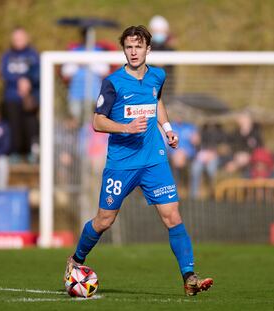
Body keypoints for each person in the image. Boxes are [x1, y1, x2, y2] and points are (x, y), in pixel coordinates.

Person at [63, 25, 213, 296]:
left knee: (172, 215)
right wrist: (126, 128)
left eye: (138, 46)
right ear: (124, 50)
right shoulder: (113, 82)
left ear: (148, 49)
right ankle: (75, 260)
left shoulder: (158, 75)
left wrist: (167, 130)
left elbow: (157, 102)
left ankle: (189, 276)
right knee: (104, 220)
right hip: (121, 163)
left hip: (154, 160)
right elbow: (97, 121)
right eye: (129, 47)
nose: (133, 52)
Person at [1, 26, 40, 163]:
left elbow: (38, 72)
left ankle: (31, 152)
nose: (18, 41)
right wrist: (18, 81)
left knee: (30, 125)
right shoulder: (7, 55)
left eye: (20, 38)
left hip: (29, 99)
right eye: (15, 38)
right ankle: (15, 152)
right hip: (12, 97)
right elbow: (5, 74)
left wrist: (28, 81)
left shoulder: (33, 54)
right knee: (14, 125)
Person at [60, 30, 111, 123]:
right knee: (75, 120)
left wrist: (88, 63)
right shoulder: (75, 51)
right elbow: (66, 71)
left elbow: (104, 70)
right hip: (76, 93)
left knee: (92, 121)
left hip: (94, 93)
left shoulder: (98, 51)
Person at [148, 15, 175, 96]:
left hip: (167, 93)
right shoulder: (146, 48)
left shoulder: (170, 50)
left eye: (161, 31)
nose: (159, 34)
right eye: (156, 31)